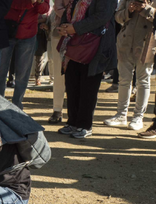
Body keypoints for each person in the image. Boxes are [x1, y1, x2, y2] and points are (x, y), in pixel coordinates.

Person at [56, 0, 117, 139]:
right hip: (73, 45)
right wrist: (65, 26)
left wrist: (75, 28)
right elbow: (69, 11)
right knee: (72, 84)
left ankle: (84, 125)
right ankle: (72, 122)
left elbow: (102, 16)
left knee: (88, 87)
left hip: (95, 46)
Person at [102, 0, 155, 131]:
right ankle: (121, 115)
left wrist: (145, 9)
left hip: (146, 43)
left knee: (143, 81)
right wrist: (128, 11)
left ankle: (138, 117)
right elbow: (117, 17)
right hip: (125, 42)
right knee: (124, 80)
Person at [0, 0, 50, 109]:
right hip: (6, 31)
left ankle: (17, 106)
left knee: (23, 74)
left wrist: (39, 2)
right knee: (0, 72)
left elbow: (44, 9)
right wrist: (31, 2)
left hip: (28, 34)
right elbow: (7, 4)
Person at [47, 0, 71, 124]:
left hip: (84, 33)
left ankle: (76, 112)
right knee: (58, 73)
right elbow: (57, 7)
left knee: (78, 75)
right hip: (60, 32)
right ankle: (57, 109)